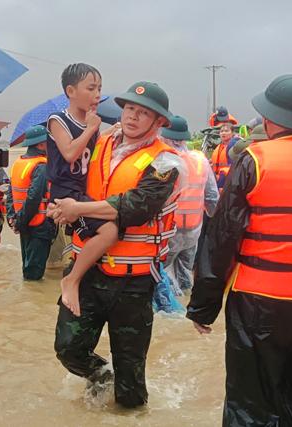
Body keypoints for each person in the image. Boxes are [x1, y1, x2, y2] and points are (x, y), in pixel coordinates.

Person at [188, 74, 292, 426]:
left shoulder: (254, 159)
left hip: (257, 303)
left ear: (271, 118)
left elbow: (222, 239)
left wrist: (204, 307)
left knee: (250, 407)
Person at [49, 81, 182, 408]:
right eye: (130, 109)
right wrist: (61, 206)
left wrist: (78, 209)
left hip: (133, 283)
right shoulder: (103, 140)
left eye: (144, 113)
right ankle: (101, 376)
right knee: (68, 348)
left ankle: (128, 409)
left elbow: (135, 207)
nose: (134, 117)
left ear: (160, 122)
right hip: (89, 270)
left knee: (131, 374)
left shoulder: (167, 162)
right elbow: (72, 171)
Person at [46, 63, 120, 317]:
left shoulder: (93, 123)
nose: (97, 94)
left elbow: (95, 155)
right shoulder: (58, 120)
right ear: (70, 90)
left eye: (99, 88)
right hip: (66, 192)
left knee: (113, 221)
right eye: (91, 88)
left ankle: (81, 277)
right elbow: (69, 153)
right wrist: (90, 128)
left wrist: (111, 132)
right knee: (109, 230)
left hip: (83, 192)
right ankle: (72, 280)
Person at [159, 115, 218, 290]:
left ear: (166, 136)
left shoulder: (165, 160)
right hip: (193, 230)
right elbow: (212, 197)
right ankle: (185, 306)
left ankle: (167, 313)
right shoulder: (200, 160)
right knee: (185, 272)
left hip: (170, 229)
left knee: (162, 274)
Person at [6, 125, 55, 280]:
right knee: (34, 272)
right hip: (38, 225)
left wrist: (13, 218)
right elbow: (34, 198)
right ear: (40, 145)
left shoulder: (18, 164)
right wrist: (20, 221)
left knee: (27, 266)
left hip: (24, 223)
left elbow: (10, 193)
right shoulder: (41, 166)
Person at [209, 122, 239, 190]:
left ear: (232, 133)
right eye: (221, 131)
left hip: (227, 180)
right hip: (216, 179)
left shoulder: (234, 146)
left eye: (226, 131)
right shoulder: (219, 147)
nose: (223, 133)